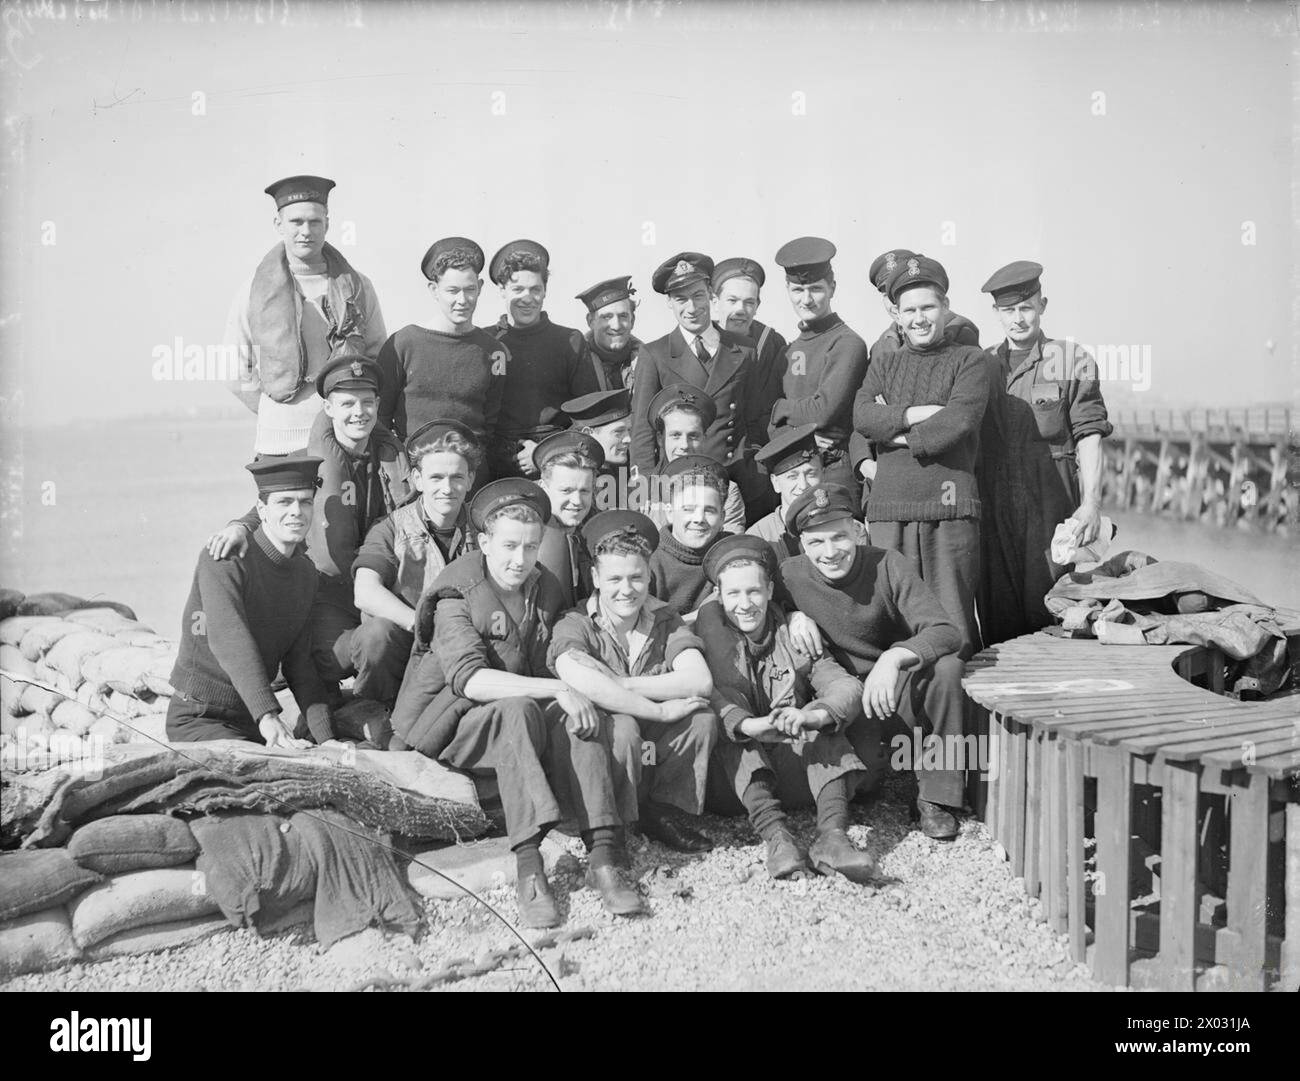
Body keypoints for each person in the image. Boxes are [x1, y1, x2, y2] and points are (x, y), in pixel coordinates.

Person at [387, 479, 640, 926]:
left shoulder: (544, 587)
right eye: (508, 546)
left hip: (514, 718)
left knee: (578, 713)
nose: (518, 559)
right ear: (484, 542)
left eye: (530, 547)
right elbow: (471, 681)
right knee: (523, 707)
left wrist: (573, 684)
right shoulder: (455, 593)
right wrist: (558, 689)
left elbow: (552, 655)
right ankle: (529, 866)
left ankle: (603, 856)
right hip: (446, 724)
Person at [208, 356, 411, 703]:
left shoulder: (391, 459)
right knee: (351, 650)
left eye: (366, 402)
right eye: (347, 404)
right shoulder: (308, 461)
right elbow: (275, 506)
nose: (358, 412)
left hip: (380, 585)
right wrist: (240, 526)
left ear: (378, 405)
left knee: (389, 637)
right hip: (326, 595)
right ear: (329, 409)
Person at [778, 485, 969, 841]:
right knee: (865, 789)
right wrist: (790, 615)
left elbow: (946, 631)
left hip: (893, 690)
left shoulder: (887, 563)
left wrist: (893, 657)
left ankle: (937, 795)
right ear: (802, 544)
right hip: (847, 704)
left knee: (947, 669)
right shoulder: (789, 576)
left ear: (857, 530)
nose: (830, 552)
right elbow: (748, 605)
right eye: (816, 543)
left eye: (839, 537)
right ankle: (876, 770)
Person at [696, 535, 878, 882]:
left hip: (795, 771)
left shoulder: (794, 633)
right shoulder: (703, 637)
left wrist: (813, 715)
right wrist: (747, 725)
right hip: (734, 784)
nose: (745, 604)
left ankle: (834, 837)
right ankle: (778, 838)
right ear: (719, 596)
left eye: (753, 592)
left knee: (824, 723)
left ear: (768, 591)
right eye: (733, 593)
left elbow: (844, 685)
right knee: (726, 724)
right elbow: (705, 696)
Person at [549, 510, 717, 854]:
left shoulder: (666, 619)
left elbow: (699, 680)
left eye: (636, 578)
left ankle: (657, 812)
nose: (627, 590)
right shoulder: (576, 622)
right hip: (608, 748)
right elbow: (575, 674)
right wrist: (659, 711)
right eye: (614, 579)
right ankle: (611, 825)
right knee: (623, 728)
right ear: (595, 577)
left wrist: (622, 685)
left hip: (650, 754)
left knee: (701, 720)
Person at [852, 254, 990, 659]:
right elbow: (862, 416)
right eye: (909, 310)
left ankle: (961, 718)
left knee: (954, 628)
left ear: (945, 307)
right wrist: (918, 414)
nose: (919, 318)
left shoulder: (970, 360)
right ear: (896, 315)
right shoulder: (884, 361)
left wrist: (891, 433)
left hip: (949, 510)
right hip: (889, 511)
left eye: (928, 307)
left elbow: (959, 422)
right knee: (894, 624)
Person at [976, 260, 1113, 644]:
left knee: (1054, 608)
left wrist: (1091, 504)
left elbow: (1089, 435)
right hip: (995, 509)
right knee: (998, 617)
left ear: (1042, 305)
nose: (1018, 319)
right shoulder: (982, 365)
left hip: (1050, 503)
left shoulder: (1071, 359)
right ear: (996, 313)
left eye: (1026, 308)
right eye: (1008, 310)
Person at [167, 456, 335, 747]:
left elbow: (300, 664)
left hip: (251, 721)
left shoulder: (306, 574)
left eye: (305, 502)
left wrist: (327, 739)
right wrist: (269, 717)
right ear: (262, 510)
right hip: (201, 717)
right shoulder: (224, 558)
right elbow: (228, 637)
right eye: (284, 502)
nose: (296, 511)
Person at [227, 176, 386, 456]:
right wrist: (275, 410)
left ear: (327, 224)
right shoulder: (252, 291)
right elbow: (234, 369)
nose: (306, 231)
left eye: (314, 222)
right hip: (280, 441)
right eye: (296, 222)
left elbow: (377, 356)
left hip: (345, 440)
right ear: (278, 225)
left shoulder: (358, 286)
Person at [350, 420, 482, 708]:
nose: (447, 488)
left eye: (457, 477)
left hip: (464, 639)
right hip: (407, 639)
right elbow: (365, 592)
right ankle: (377, 708)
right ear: (418, 479)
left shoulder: (485, 524)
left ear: (471, 479)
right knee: (376, 635)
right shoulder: (390, 526)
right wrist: (419, 625)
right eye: (436, 478)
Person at [628, 252, 765, 510]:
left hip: (735, 480)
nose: (691, 308)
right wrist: (645, 491)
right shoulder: (655, 354)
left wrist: (755, 466)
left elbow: (756, 417)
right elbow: (642, 431)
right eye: (681, 299)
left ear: (711, 295)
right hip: (676, 483)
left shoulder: (744, 349)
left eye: (698, 296)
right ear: (669, 302)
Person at [374, 237, 507, 456]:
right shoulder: (403, 343)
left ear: (480, 288)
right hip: (413, 469)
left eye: (470, 289)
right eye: (452, 291)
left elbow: (491, 423)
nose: (462, 300)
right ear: (434, 290)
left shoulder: (494, 351)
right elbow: (381, 417)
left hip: (469, 470)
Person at [485, 239, 600, 480]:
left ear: (545, 290)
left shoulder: (569, 340)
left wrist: (546, 452)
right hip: (494, 464)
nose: (527, 298)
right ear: (502, 290)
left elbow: (589, 416)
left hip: (556, 462)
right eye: (517, 290)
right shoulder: (485, 340)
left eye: (535, 289)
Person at [768, 237, 868, 498]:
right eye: (798, 291)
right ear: (787, 290)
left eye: (816, 289)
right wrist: (801, 434)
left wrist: (780, 408)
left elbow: (822, 411)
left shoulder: (847, 343)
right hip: (794, 473)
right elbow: (766, 423)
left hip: (834, 471)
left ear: (832, 288)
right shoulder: (786, 351)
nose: (807, 299)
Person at [710, 257, 787, 524]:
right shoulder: (701, 341)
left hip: (755, 469)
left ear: (757, 305)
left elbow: (774, 406)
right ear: (714, 301)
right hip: (708, 466)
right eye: (732, 301)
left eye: (749, 302)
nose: (740, 309)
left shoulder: (771, 342)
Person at [643, 384, 746, 533]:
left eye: (693, 436)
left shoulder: (728, 491)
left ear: (704, 438)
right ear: (660, 438)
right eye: (675, 435)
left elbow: (729, 548)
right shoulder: (640, 489)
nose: (684, 445)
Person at [647, 455, 730, 621]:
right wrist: (701, 614)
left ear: (722, 517)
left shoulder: (731, 552)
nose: (699, 519)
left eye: (709, 510)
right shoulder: (649, 560)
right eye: (688, 509)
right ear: (670, 512)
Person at [867, 248, 981, 357]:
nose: (894, 302)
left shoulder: (956, 330)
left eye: (903, 293)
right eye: (887, 295)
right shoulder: (881, 345)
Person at [534, 430, 603, 610]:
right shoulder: (526, 535)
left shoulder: (600, 532)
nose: (577, 501)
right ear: (543, 487)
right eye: (566, 491)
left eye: (584, 491)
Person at [746, 423, 825, 561]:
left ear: (822, 475)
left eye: (811, 474)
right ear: (775, 483)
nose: (803, 485)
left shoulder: (843, 524)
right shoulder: (758, 536)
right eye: (792, 476)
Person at [563, 388, 635, 513]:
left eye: (629, 430)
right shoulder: (575, 479)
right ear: (588, 434)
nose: (628, 439)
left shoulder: (616, 472)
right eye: (618, 433)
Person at [576, 275, 645, 392]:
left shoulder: (649, 362)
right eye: (607, 317)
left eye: (623, 316)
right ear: (590, 321)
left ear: (632, 321)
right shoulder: (575, 365)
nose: (616, 326)